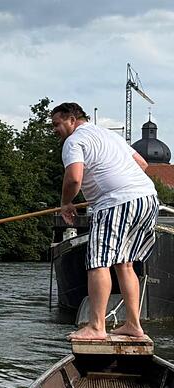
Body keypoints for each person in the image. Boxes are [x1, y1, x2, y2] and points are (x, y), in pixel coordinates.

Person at [53, 102, 158, 341]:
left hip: (115, 203)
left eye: (57, 124)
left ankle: (97, 327)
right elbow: (141, 164)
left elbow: (73, 179)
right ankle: (133, 326)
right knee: (125, 264)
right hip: (147, 198)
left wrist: (66, 203)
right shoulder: (108, 135)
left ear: (71, 119)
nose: (55, 130)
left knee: (98, 263)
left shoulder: (74, 141)